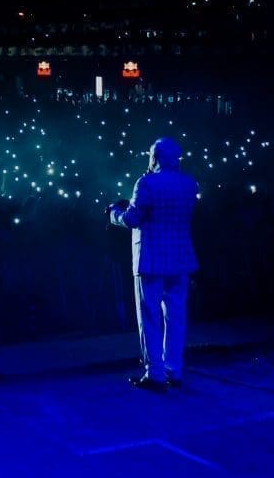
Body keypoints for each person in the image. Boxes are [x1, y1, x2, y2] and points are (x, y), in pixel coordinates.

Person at [107, 137, 198, 391]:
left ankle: (155, 374)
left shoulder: (146, 183)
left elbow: (132, 219)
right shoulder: (189, 183)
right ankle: (174, 370)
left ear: (154, 156)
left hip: (152, 259)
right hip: (181, 259)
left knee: (149, 318)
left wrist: (114, 213)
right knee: (176, 317)